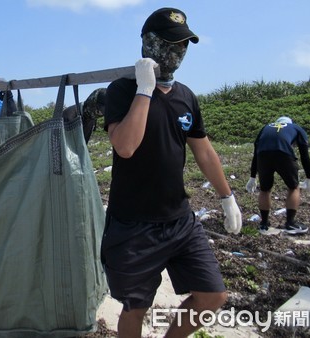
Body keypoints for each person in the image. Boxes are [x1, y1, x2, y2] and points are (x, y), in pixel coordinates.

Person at [101, 8, 242, 337]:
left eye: (183, 46)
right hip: (133, 224)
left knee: (213, 295)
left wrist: (227, 197)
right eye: (171, 44)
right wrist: (144, 90)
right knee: (136, 306)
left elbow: (203, 151)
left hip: (179, 220)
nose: (178, 52)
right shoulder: (121, 90)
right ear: (149, 44)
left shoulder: (186, 97)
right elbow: (125, 146)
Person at [246, 116, 310, 234]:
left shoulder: (265, 127)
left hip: (263, 155)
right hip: (284, 153)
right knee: (294, 187)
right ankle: (290, 224)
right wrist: (309, 178)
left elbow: (256, 154)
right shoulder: (296, 128)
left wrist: (252, 177)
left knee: (265, 189)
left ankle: (264, 224)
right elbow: (305, 156)